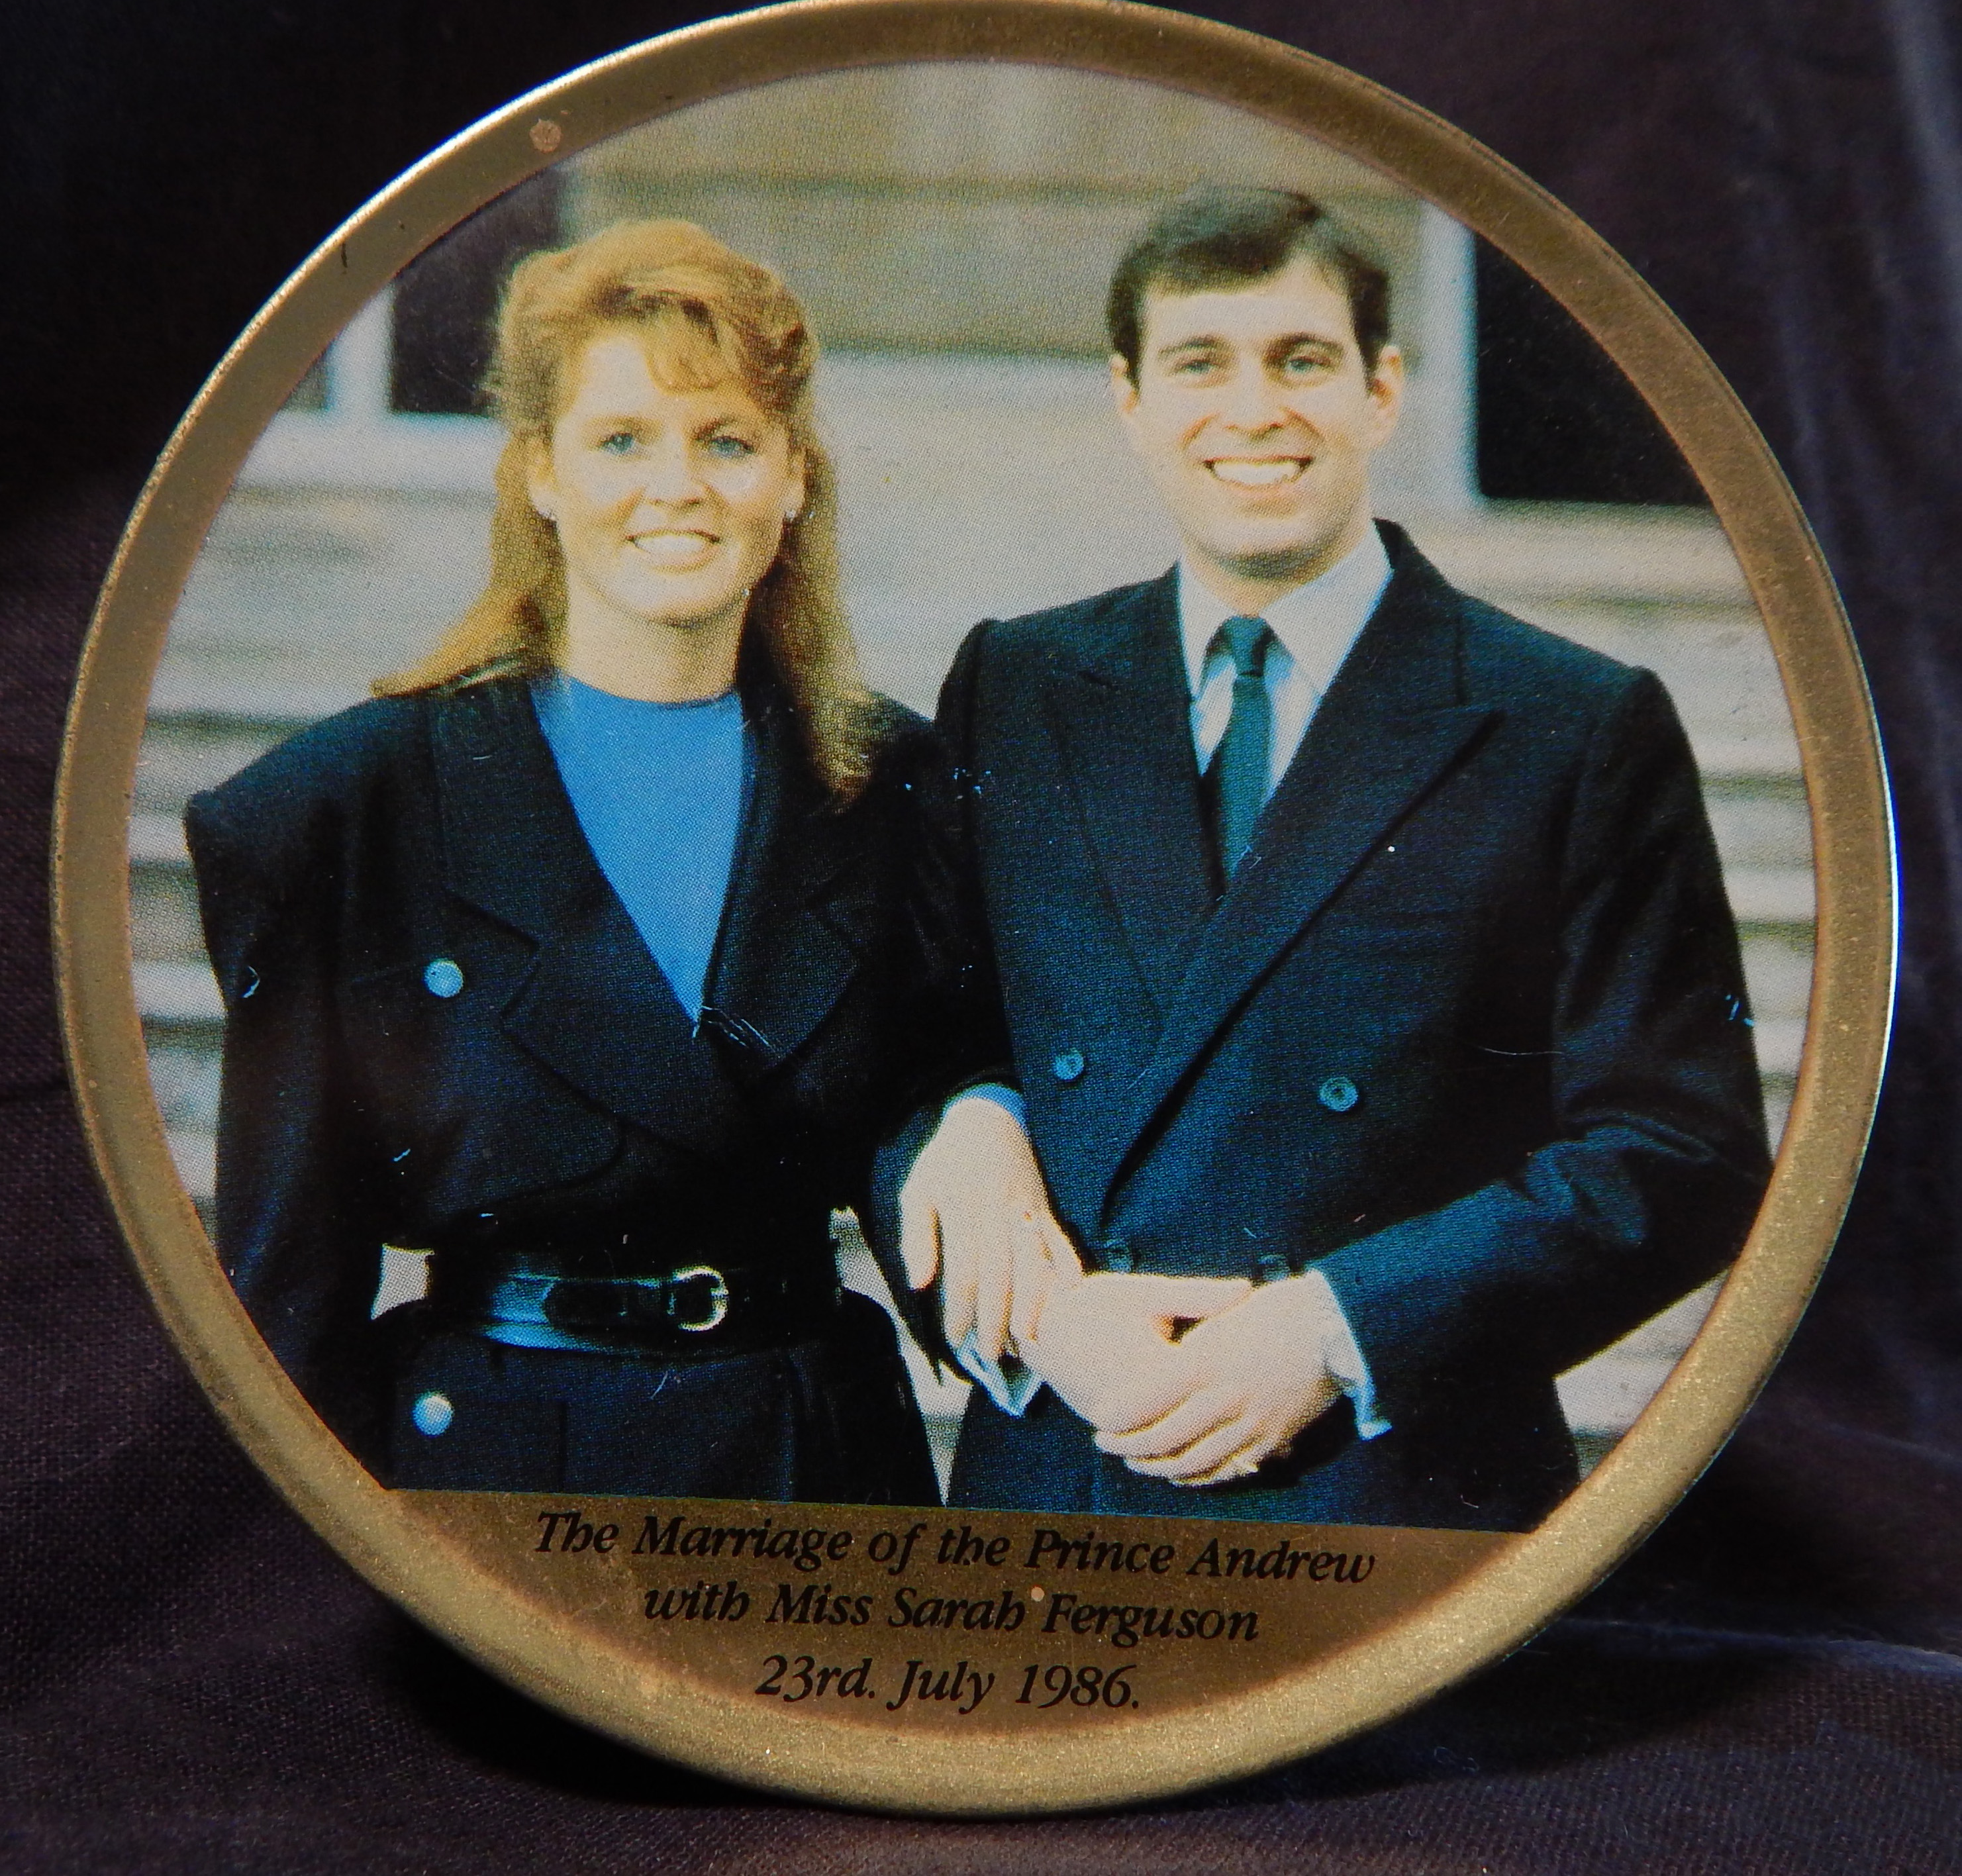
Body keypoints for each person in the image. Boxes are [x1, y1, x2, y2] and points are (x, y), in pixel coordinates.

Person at [876, 186, 1771, 1529]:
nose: (1254, 411)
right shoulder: (1020, 681)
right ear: (1130, 398)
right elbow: (907, 1047)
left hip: (1393, 1498)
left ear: (1381, 389)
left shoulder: (1569, 721)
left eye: (1301, 360)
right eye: (1200, 363)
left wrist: (1339, 1329)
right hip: (1067, 1473)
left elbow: (1678, 1147)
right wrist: (973, 1138)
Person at [187, 218, 997, 1504]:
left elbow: (951, 1070)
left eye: (726, 440)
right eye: (621, 441)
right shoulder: (346, 807)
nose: (677, 485)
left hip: (816, 1468)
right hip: (504, 1487)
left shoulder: (887, 780)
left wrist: (986, 1112)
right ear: (541, 477)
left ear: (793, 479)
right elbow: (285, 1300)